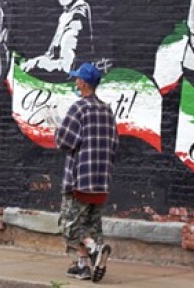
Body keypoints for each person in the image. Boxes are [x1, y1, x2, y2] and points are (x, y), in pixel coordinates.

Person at [52, 62, 118, 283]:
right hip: (101, 180)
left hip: (80, 178)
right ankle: (83, 266)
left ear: (83, 83)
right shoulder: (107, 110)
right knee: (91, 224)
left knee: (69, 226)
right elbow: (115, 144)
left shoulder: (78, 108)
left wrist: (56, 131)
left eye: (77, 78)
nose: (75, 81)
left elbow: (65, 141)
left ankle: (94, 249)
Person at [21, 0, 93, 73]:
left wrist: (38, 63)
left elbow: (65, 67)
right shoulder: (66, 14)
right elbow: (51, 55)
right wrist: (34, 61)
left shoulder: (78, 16)